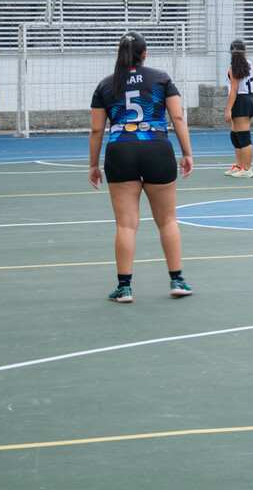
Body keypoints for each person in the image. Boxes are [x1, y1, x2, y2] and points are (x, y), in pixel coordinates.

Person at [89, 32, 195, 303]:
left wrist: (93, 164)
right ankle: (177, 279)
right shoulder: (160, 78)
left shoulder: (106, 85)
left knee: (126, 225)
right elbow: (178, 116)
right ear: (144, 53)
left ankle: (124, 287)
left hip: (120, 150)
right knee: (168, 220)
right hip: (156, 148)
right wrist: (187, 153)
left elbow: (96, 129)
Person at [224, 39, 253, 178]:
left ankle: (247, 169)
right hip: (246, 99)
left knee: (244, 137)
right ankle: (239, 166)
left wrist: (228, 109)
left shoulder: (234, 68)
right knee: (235, 135)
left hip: (241, 100)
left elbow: (234, 89)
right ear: (244, 51)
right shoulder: (248, 63)